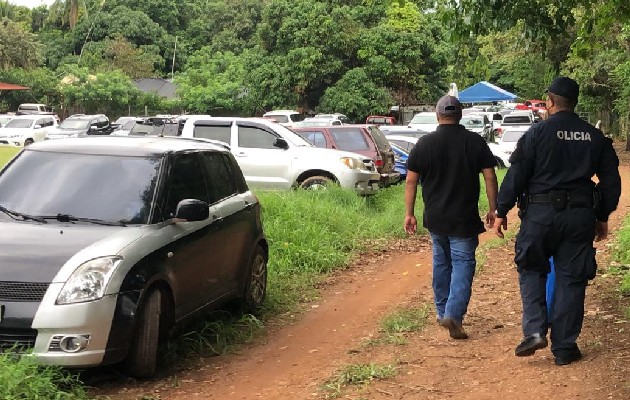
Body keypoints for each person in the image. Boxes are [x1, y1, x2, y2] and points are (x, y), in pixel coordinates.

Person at [492, 77, 621, 366]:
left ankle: (536, 330)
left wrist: (501, 211)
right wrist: (601, 217)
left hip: (539, 216)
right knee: (571, 279)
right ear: (574, 103)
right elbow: (611, 182)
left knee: (531, 268)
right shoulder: (593, 136)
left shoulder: (536, 134)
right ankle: (564, 348)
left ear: (549, 102)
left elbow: (516, 176)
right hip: (579, 217)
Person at [404, 95, 498, 340]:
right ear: (460, 116)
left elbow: (411, 181)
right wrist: (493, 208)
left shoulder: (424, 144)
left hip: (435, 218)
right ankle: (453, 314)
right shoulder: (474, 142)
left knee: (441, 263)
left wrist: (409, 213)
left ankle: (442, 311)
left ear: (437, 115)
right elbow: (490, 176)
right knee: (463, 265)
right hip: (464, 220)